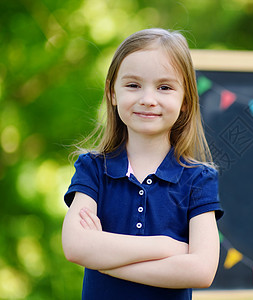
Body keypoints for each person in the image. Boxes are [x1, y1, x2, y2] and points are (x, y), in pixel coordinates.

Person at [62, 28, 223, 300]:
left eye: (164, 87)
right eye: (133, 85)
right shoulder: (92, 168)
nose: (148, 99)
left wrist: (104, 260)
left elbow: (201, 271)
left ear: (185, 100)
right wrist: (166, 246)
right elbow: (76, 246)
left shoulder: (199, 179)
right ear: (112, 93)